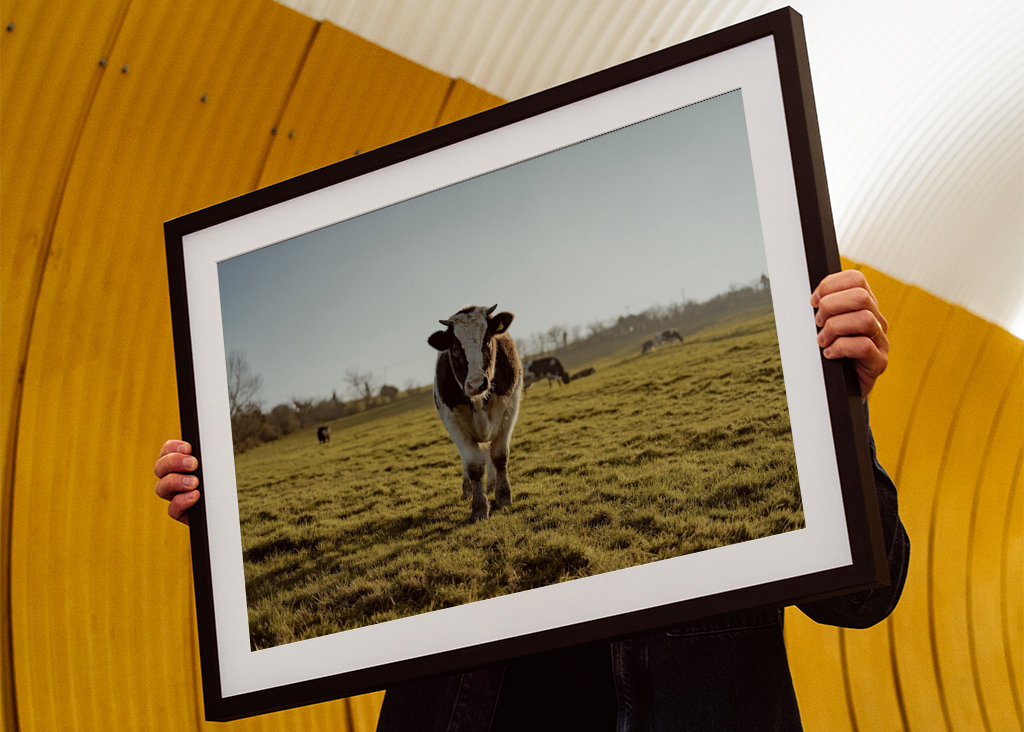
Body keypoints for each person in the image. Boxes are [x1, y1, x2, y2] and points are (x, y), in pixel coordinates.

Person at [154, 270, 909, 731]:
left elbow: (865, 597)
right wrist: (229, 518)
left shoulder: (789, 387)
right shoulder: (449, 380)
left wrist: (840, 404)